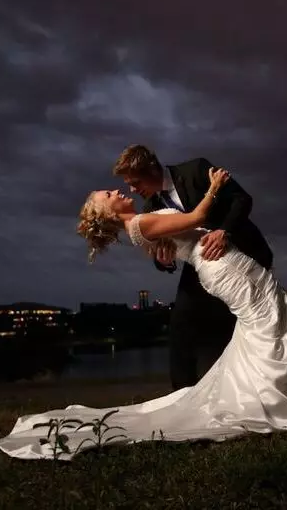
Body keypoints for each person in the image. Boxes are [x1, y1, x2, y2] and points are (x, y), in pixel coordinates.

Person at [0, 167, 287, 460]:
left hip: (227, 262)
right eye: (108, 195)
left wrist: (166, 248)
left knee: (272, 324)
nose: (116, 190)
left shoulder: (143, 221)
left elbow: (175, 239)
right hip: (221, 268)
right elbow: (197, 217)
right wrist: (214, 186)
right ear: (107, 213)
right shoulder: (140, 225)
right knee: (273, 324)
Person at [112, 145, 273, 390]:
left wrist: (224, 232)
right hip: (200, 266)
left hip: (240, 253)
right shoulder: (149, 207)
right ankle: (182, 395)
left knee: (239, 326)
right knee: (180, 325)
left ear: (152, 169)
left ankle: (249, 386)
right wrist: (164, 261)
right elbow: (159, 250)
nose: (132, 190)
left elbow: (242, 199)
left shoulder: (196, 169)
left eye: (134, 181)